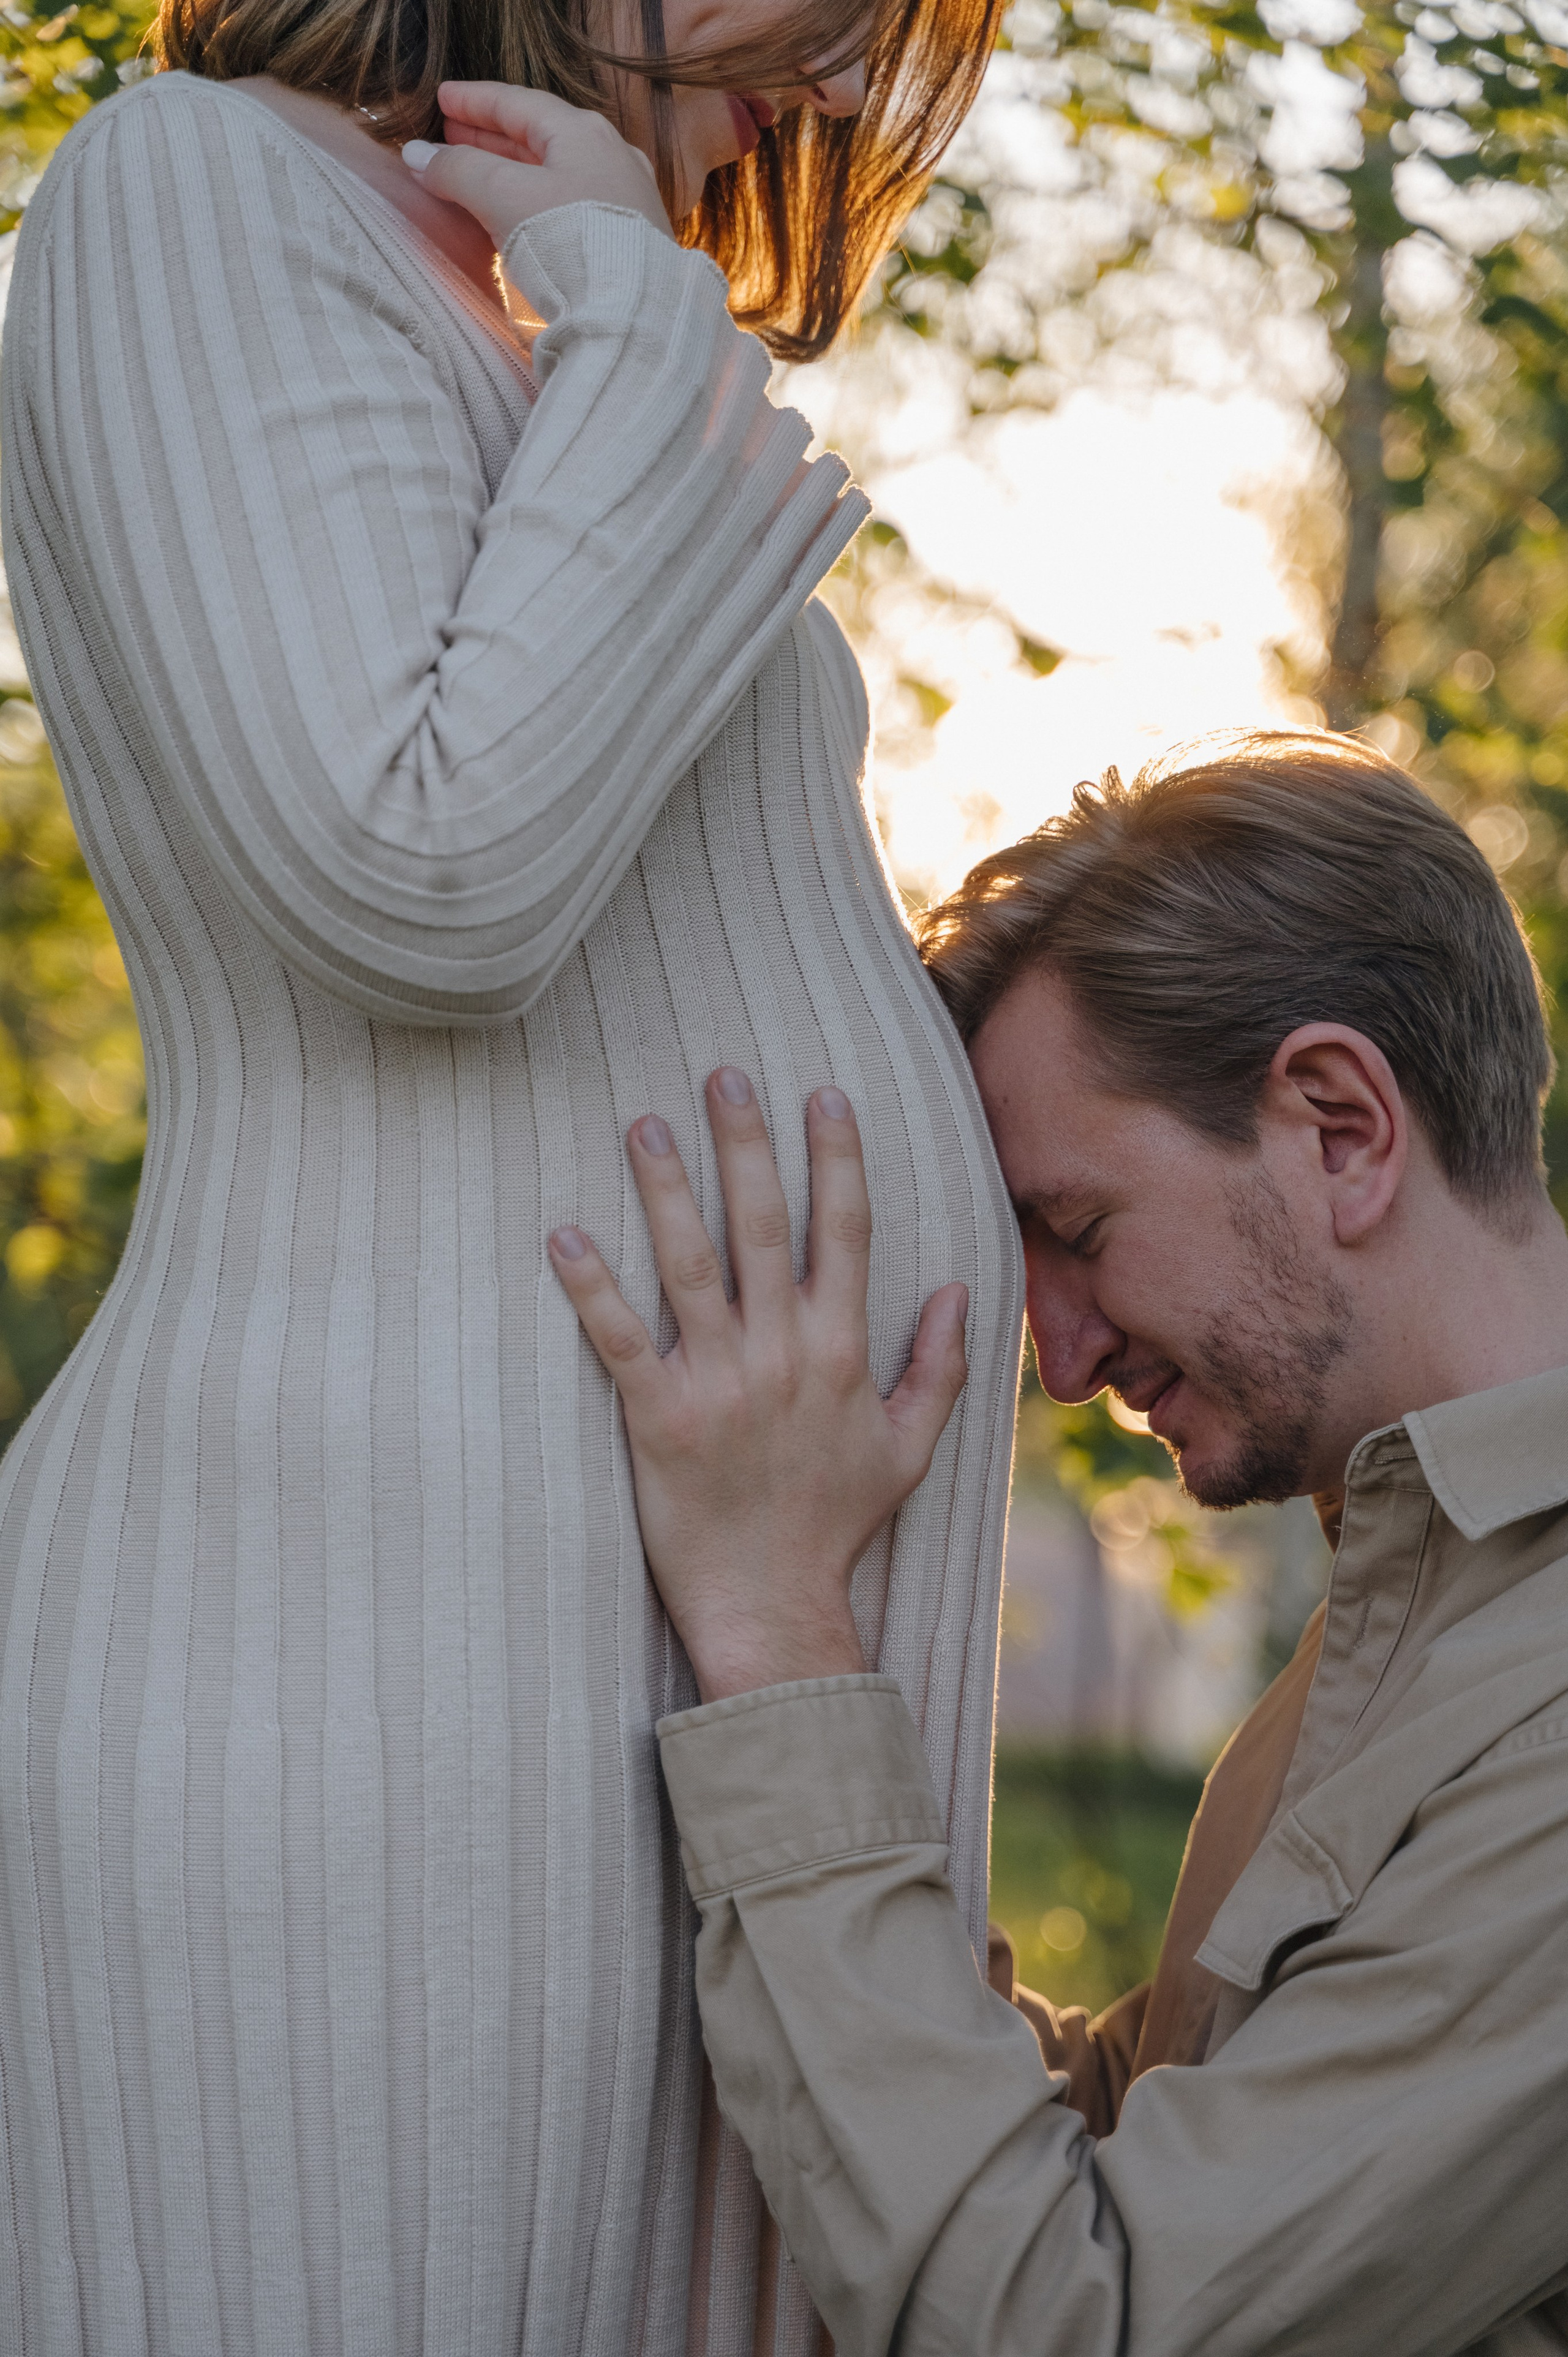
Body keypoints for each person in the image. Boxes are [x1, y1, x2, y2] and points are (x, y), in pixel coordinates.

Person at [0, 0, 1017, 2340]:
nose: (857, 83)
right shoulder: (195, 193)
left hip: (611, 1698)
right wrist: (644, 305)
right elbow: (420, 869)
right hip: (364, 1699)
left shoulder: (519, 307)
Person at [553, 732, 1568, 2356]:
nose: (1066, 1355)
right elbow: (1162, 2129)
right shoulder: (1426, 1609)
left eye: (1077, 1233)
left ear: (1339, 1127)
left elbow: (1084, 2317)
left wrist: (777, 1636)